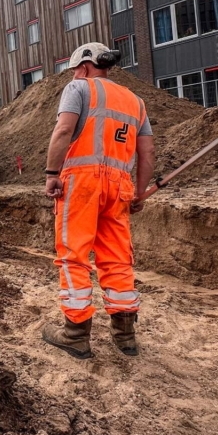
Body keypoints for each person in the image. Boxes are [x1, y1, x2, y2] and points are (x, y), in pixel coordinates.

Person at [41, 42, 155, 359]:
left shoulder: (78, 89)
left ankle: (75, 334)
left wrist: (52, 173)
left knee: (74, 256)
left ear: (88, 65)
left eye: (77, 68)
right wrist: (140, 191)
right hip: (119, 186)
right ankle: (125, 335)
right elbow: (147, 152)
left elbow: (64, 129)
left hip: (80, 182)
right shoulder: (135, 102)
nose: (76, 74)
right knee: (117, 258)